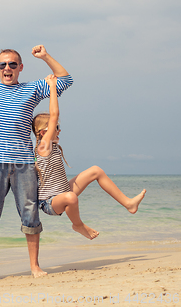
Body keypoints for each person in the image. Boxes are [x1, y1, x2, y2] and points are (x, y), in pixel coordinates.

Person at [0, 32, 73, 279]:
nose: (7, 68)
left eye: (12, 64)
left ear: (20, 67)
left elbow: (66, 79)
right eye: (3, 64)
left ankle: (35, 266)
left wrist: (46, 56)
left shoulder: (32, 89)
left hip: (24, 163)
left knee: (30, 213)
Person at [33, 75, 146, 240]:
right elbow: (54, 113)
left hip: (63, 192)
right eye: (56, 127)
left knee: (95, 171)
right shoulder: (43, 146)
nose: (59, 130)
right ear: (44, 132)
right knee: (71, 197)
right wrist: (52, 87)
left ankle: (129, 204)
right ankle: (78, 225)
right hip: (49, 203)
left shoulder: (53, 147)